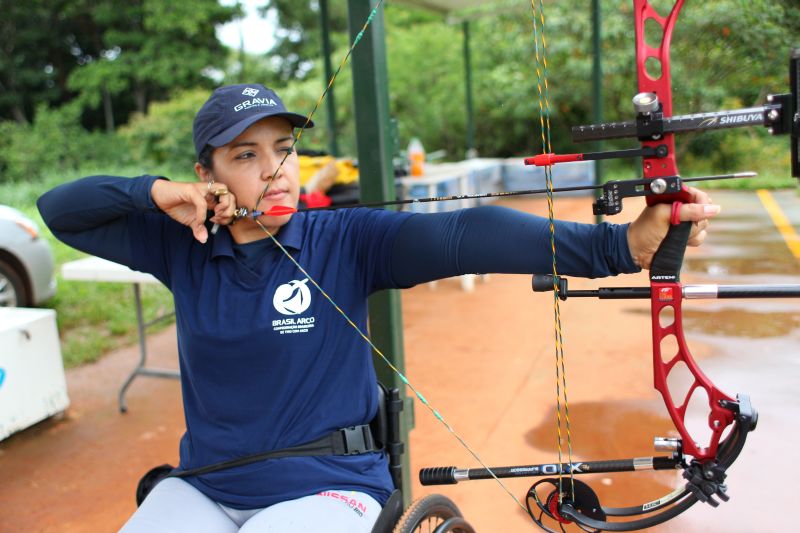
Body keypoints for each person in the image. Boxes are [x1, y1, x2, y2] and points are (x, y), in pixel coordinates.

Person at [37, 84, 719, 533]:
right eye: (246, 155)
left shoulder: (343, 238)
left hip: (326, 488)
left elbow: (462, 234)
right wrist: (154, 191)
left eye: (285, 149)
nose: (275, 170)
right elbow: (60, 210)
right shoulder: (183, 246)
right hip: (209, 488)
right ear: (208, 174)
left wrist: (617, 245)